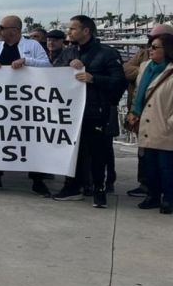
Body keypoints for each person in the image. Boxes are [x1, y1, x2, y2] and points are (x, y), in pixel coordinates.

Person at [52, 15, 128, 208]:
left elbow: (119, 81)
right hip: (70, 111)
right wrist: (67, 66)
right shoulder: (68, 52)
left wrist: (94, 78)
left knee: (98, 152)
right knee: (72, 150)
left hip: (96, 110)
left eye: (73, 29)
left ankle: (99, 189)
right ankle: (72, 186)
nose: (69, 32)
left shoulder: (107, 53)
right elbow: (53, 74)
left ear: (86, 31)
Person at [0, 15, 52, 194]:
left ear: (14, 30)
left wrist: (27, 62)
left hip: (27, 102)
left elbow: (48, 67)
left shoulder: (32, 46)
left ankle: (37, 180)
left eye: (1, 27)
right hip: (0, 102)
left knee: (30, 139)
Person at [127, 33, 173, 214]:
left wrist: (170, 123)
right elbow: (139, 92)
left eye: (155, 47)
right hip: (145, 124)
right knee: (149, 166)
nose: (150, 50)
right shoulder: (145, 67)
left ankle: (168, 199)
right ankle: (153, 196)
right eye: (150, 47)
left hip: (165, 128)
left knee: (166, 167)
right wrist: (134, 112)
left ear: (168, 50)